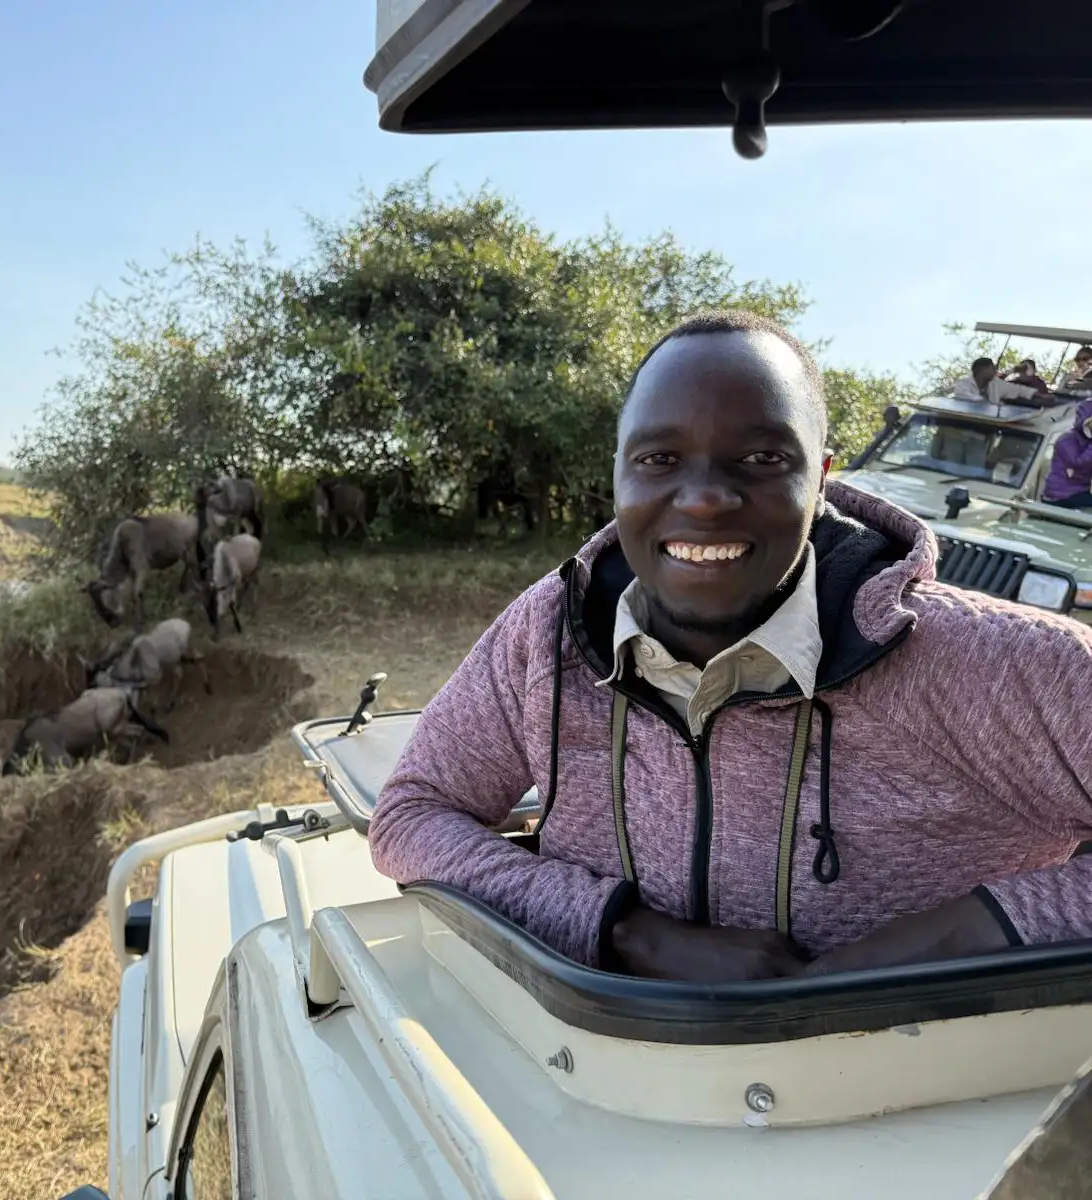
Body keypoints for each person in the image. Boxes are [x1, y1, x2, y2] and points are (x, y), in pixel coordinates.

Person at [369, 310, 1092, 984]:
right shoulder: (551, 633)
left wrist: (948, 940)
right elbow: (412, 814)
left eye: (762, 456)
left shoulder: (984, 661)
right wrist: (628, 932)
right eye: (659, 458)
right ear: (618, 472)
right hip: (594, 1078)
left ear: (824, 480)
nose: (707, 497)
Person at [1044, 399, 1092, 509]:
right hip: (1061, 495)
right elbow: (1080, 463)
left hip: (1078, 492)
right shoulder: (1066, 440)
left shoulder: (1086, 442)